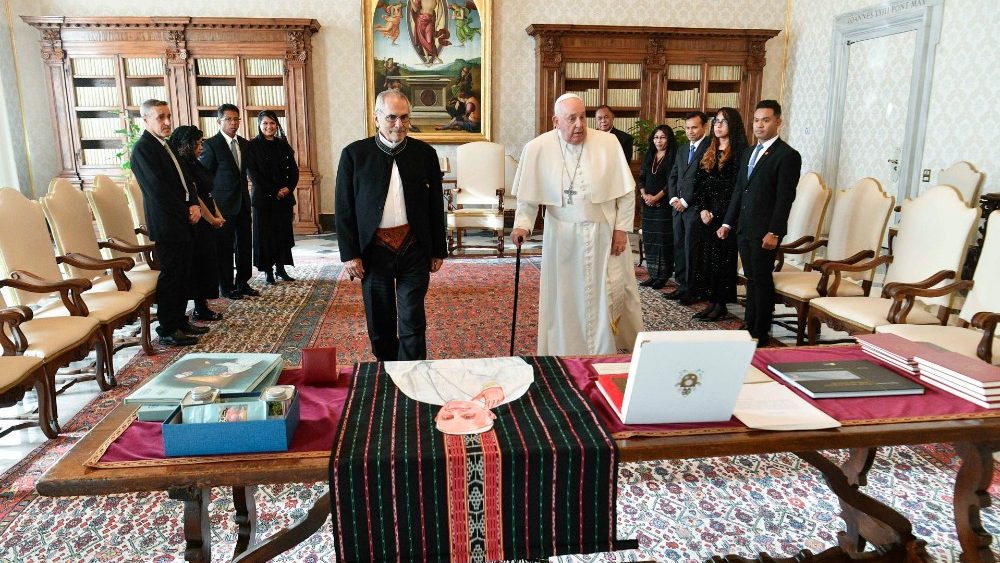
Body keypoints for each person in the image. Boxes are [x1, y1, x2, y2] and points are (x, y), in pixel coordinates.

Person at [510, 93, 642, 356]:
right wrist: (522, 225)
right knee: (566, 296)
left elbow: (627, 193)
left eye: (582, 117)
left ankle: (608, 352)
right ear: (556, 121)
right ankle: (566, 350)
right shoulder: (537, 148)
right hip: (562, 238)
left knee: (610, 293)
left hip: (603, 233)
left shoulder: (608, 143)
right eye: (571, 119)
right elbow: (528, 197)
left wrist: (621, 230)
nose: (580, 124)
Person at [335, 89, 447, 361]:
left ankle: (412, 372)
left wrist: (438, 249)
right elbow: (344, 208)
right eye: (391, 117)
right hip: (374, 251)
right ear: (376, 118)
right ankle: (387, 370)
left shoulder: (425, 154)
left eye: (405, 117)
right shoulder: (354, 155)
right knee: (380, 320)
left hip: (414, 247)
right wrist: (349, 254)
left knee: (412, 318)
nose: (399, 124)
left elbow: (435, 205)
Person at [718, 100, 801, 347]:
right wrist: (727, 223)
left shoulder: (787, 155)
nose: (759, 125)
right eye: (756, 120)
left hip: (765, 230)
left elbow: (785, 198)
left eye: (766, 120)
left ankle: (761, 331)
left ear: (778, 122)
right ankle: (750, 324)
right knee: (750, 278)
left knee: (761, 278)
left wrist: (775, 231)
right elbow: (739, 191)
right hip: (744, 227)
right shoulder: (749, 152)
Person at [129, 100, 205, 347]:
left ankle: (180, 321)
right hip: (167, 223)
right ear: (146, 120)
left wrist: (194, 203)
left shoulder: (167, 144)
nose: (167, 122)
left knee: (184, 273)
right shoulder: (143, 149)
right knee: (172, 276)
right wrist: (186, 210)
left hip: (183, 220)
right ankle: (168, 328)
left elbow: (186, 180)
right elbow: (158, 191)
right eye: (160, 117)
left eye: (168, 116)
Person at [691, 107, 747, 322]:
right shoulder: (709, 148)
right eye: (716, 121)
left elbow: (735, 189)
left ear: (733, 125)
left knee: (722, 261)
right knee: (706, 260)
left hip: (726, 217)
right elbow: (700, 182)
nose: (718, 125)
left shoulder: (741, 152)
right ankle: (711, 302)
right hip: (706, 215)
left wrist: (716, 212)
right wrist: (703, 209)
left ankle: (720, 304)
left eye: (723, 121)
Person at [167, 125, 226, 322]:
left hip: (208, 217)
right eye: (198, 144)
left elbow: (208, 193)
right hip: (197, 221)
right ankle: (200, 308)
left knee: (208, 262)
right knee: (199, 264)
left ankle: (203, 305)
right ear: (187, 145)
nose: (201, 147)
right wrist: (211, 219)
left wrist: (217, 214)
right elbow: (196, 198)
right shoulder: (182, 166)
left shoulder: (195, 163)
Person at [200, 103, 259, 300]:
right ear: (219, 121)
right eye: (229, 119)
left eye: (236, 119)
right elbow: (205, 178)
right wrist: (211, 206)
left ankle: (243, 282)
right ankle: (226, 286)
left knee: (245, 245)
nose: (233, 123)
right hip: (222, 205)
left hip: (243, 202)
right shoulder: (211, 145)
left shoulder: (245, 144)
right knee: (224, 247)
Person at [247, 110, 299, 285]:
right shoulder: (252, 146)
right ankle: (268, 271)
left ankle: (280, 268)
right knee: (266, 236)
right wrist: (274, 191)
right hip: (264, 200)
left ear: (277, 125)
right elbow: (253, 174)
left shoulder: (283, 144)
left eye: (272, 123)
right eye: (265, 123)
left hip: (284, 199)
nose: (269, 127)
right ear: (259, 125)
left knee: (282, 234)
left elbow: (294, 171)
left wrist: (288, 188)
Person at [664, 112, 710, 305]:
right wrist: (674, 198)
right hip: (678, 207)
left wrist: (685, 201)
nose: (690, 131)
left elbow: (705, 181)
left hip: (694, 208)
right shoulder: (683, 149)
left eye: (694, 127)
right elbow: (674, 175)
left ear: (704, 127)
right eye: (687, 128)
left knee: (692, 250)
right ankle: (682, 286)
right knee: (679, 247)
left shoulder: (710, 147)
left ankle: (693, 290)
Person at [636, 125, 677, 289]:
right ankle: (653, 274)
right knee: (650, 240)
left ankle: (663, 276)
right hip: (648, 205)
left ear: (669, 139)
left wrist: (656, 197)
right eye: (656, 137)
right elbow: (641, 178)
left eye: (662, 137)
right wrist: (644, 194)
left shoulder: (673, 156)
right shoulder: (650, 155)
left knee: (662, 241)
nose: (659, 140)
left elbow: (671, 182)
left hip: (663, 206)